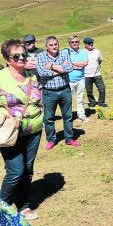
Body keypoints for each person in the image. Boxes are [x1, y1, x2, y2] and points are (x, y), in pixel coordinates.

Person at [0, 39, 43, 221]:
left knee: (28, 169)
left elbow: (38, 97)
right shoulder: (1, 77)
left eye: (24, 54)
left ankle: (24, 206)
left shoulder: (32, 75)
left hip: (34, 130)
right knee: (16, 170)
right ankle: (3, 205)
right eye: (16, 56)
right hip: (10, 132)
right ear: (7, 59)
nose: (21, 58)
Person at [36, 36, 80, 149]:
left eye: (56, 44)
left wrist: (50, 66)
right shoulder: (40, 56)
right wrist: (61, 69)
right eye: (51, 45)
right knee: (49, 118)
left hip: (65, 89)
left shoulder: (64, 54)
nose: (54, 47)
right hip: (49, 92)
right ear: (46, 46)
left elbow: (69, 68)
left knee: (68, 116)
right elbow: (41, 72)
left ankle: (69, 138)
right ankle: (51, 139)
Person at [63, 35, 89, 122]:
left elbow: (84, 63)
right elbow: (64, 64)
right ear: (69, 44)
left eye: (76, 42)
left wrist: (72, 64)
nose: (74, 43)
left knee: (80, 99)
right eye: (72, 42)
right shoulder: (65, 52)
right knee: (67, 100)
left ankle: (81, 116)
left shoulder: (83, 52)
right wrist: (77, 65)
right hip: (68, 80)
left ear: (79, 43)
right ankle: (68, 117)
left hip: (80, 79)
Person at [83, 37, 107, 108]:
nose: (91, 44)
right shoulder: (82, 52)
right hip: (86, 75)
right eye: (89, 43)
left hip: (97, 74)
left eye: (92, 43)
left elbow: (100, 60)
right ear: (85, 44)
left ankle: (101, 102)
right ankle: (92, 102)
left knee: (102, 88)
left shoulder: (97, 51)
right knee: (89, 91)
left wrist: (96, 67)